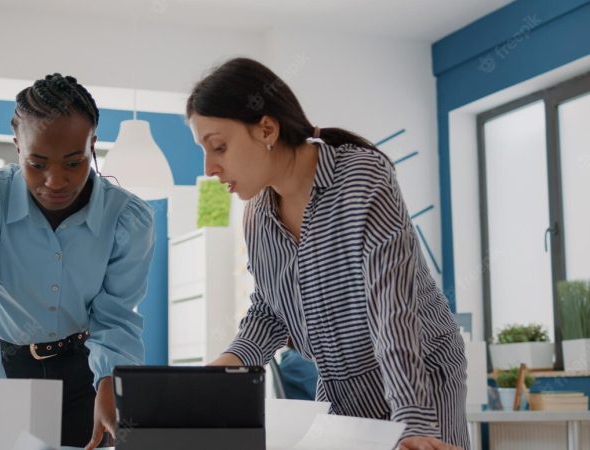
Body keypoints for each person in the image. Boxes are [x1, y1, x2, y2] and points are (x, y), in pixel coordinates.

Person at [187, 58, 469, 450]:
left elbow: (392, 308)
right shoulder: (258, 217)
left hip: (420, 377)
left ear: (266, 129)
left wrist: (414, 421)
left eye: (219, 146)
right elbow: (269, 314)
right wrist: (219, 369)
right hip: (339, 388)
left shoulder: (362, 179)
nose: (210, 167)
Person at [0, 73, 155, 450]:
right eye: (38, 164)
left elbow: (116, 315)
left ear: (93, 146)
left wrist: (110, 383)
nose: (56, 181)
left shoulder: (127, 219)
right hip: (2, 374)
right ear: (17, 146)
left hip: (85, 374)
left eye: (74, 162)